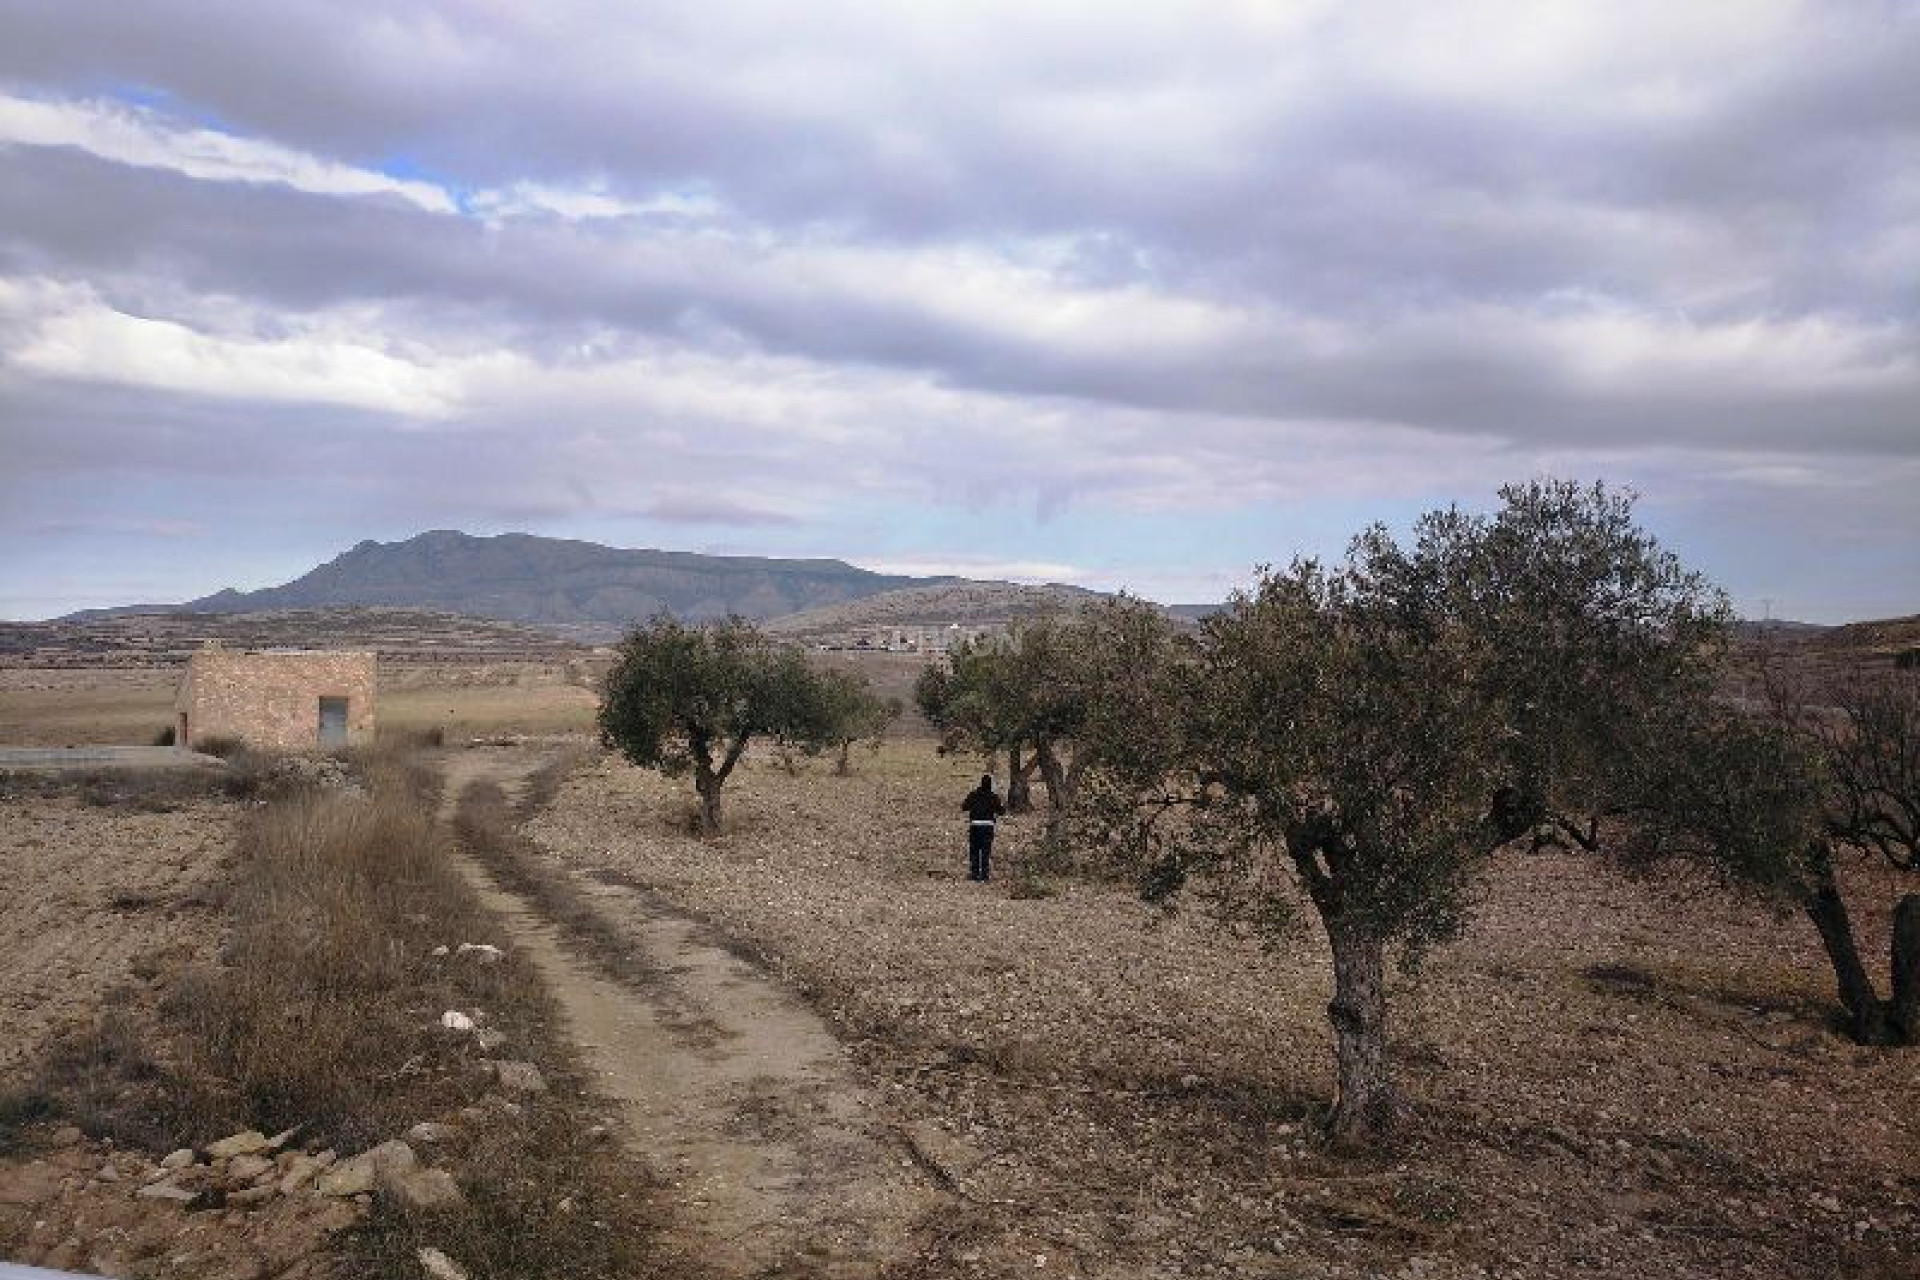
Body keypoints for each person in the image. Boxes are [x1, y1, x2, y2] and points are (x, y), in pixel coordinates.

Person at [960, 773, 1004, 882]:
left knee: (974, 850)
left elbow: (964, 807)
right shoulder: (993, 796)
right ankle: (984, 875)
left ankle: (975, 875)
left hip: (975, 825)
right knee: (985, 851)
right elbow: (1001, 811)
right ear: (990, 785)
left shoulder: (973, 794)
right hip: (988, 826)